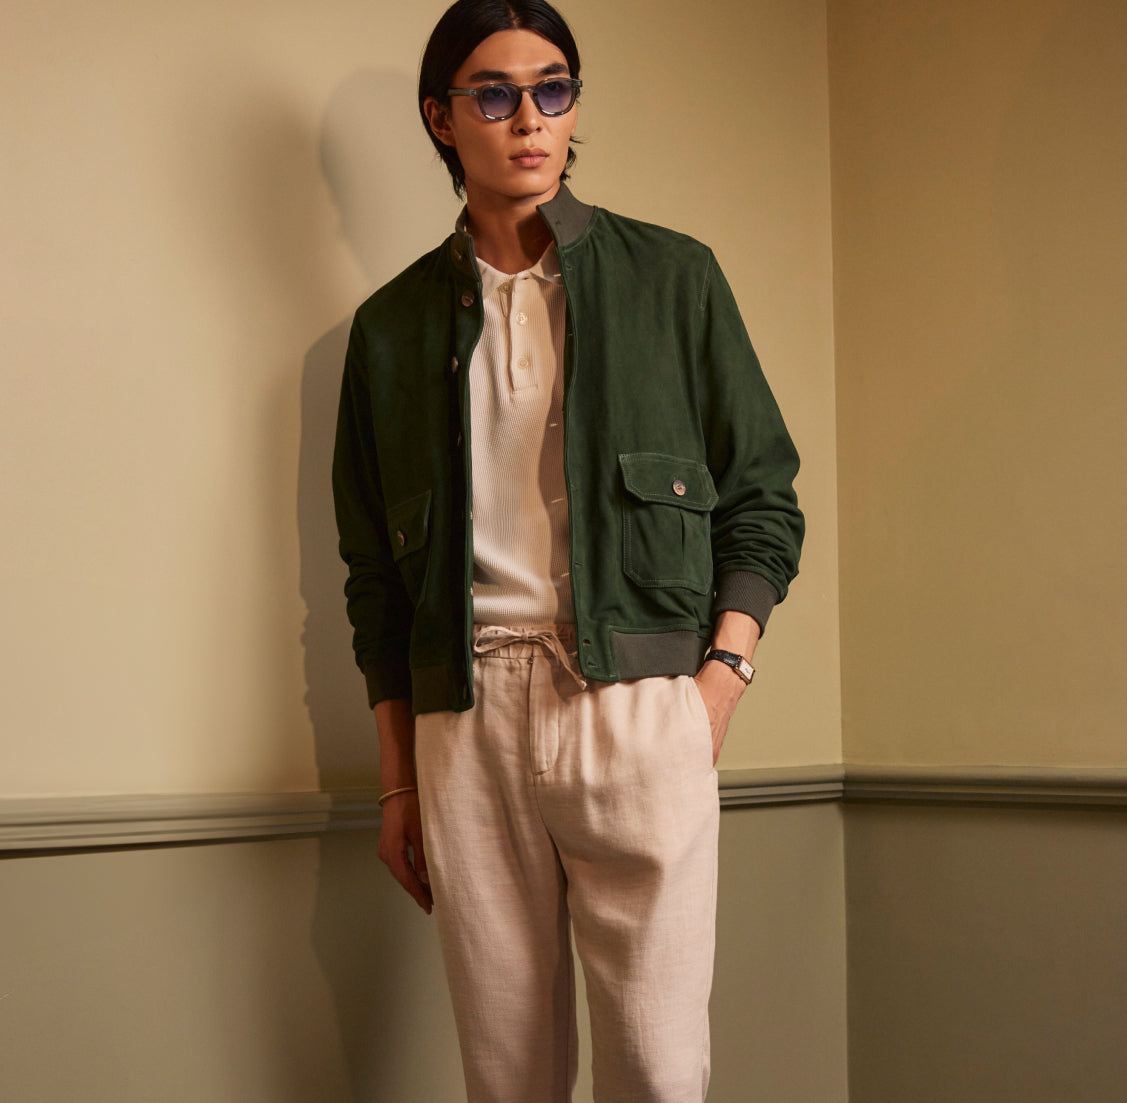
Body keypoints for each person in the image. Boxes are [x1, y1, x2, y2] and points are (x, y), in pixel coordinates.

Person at [332, 1, 803, 1099]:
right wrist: (399, 781)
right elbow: (374, 581)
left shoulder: (672, 278)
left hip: (635, 708)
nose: (529, 118)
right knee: (507, 1075)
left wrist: (715, 686)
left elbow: (761, 496)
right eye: (494, 94)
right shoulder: (392, 328)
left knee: (655, 1068)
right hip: (465, 721)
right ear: (441, 119)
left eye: (553, 88)